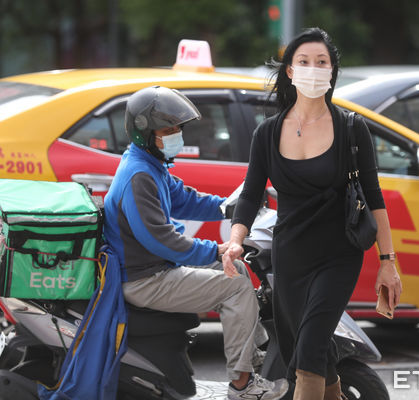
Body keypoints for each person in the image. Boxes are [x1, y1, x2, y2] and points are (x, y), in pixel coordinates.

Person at [222, 28, 402, 400]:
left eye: (322, 63)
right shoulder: (267, 134)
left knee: (310, 348)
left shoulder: (352, 129)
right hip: (290, 257)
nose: (313, 70)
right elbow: (250, 193)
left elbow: (374, 198)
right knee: (305, 350)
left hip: (339, 255)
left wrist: (388, 261)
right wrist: (234, 241)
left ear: (333, 72)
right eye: (304, 62)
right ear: (289, 71)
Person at [103, 86, 288, 400]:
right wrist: (215, 249)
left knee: (236, 268)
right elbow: (162, 241)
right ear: (143, 134)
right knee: (237, 287)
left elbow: (185, 199)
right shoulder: (139, 176)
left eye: (178, 129)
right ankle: (243, 385)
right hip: (144, 279)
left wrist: (232, 207)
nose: (176, 135)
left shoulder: (150, 164)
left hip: (153, 269)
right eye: (167, 130)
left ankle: (251, 357)